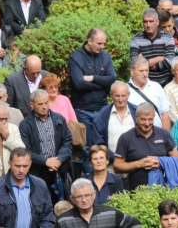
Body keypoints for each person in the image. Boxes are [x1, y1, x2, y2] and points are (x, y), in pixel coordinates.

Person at [69, 28, 116, 159]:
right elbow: (79, 83)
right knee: (87, 148)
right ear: (90, 41)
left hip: (102, 108)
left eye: (104, 43)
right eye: (99, 43)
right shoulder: (76, 57)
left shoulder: (105, 56)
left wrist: (93, 77)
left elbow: (112, 78)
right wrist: (102, 85)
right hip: (83, 110)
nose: (102, 47)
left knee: (105, 145)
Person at [19, 89, 72, 203]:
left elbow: (67, 142)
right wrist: (45, 161)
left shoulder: (59, 119)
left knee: (62, 203)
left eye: (46, 103)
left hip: (59, 168)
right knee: (41, 203)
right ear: (32, 105)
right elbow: (26, 150)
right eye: (40, 104)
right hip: (38, 172)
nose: (44, 106)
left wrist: (58, 160)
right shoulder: (26, 124)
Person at [114, 103, 178, 190]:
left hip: (164, 188)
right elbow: (117, 167)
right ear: (136, 117)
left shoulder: (164, 134)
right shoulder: (126, 138)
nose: (147, 123)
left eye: (150, 119)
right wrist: (139, 164)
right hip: (137, 191)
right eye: (143, 120)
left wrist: (161, 162)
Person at [0, 147, 55, 228]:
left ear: (30, 164)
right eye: (17, 166)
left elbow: (48, 218)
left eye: (25, 166)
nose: (21, 170)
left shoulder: (40, 186)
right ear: (9, 164)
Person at [91, 81, 137, 175]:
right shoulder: (102, 115)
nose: (120, 99)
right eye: (117, 96)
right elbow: (98, 142)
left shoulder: (137, 112)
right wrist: (115, 158)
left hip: (134, 167)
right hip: (111, 169)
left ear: (129, 95)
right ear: (111, 95)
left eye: (123, 96)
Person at [55, 178, 142, 227]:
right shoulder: (63, 221)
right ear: (72, 198)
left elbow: (136, 224)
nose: (84, 200)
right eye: (79, 196)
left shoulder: (110, 213)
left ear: (94, 194)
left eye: (87, 195)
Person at [130, 9, 175, 86]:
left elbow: (170, 62)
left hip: (166, 82)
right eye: (145, 21)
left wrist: (144, 64)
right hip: (144, 83)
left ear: (157, 22)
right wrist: (158, 59)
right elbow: (135, 63)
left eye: (151, 21)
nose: (148, 25)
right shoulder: (136, 39)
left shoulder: (168, 37)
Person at [127, 57, 171, 130]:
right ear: (132, 72)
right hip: (134, 137)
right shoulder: (125, 90)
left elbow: (165, 114)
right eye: (141, 71)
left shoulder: (156, 87)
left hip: (157, 136)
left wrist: (165, 138)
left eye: (146, 70)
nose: (144, 74)